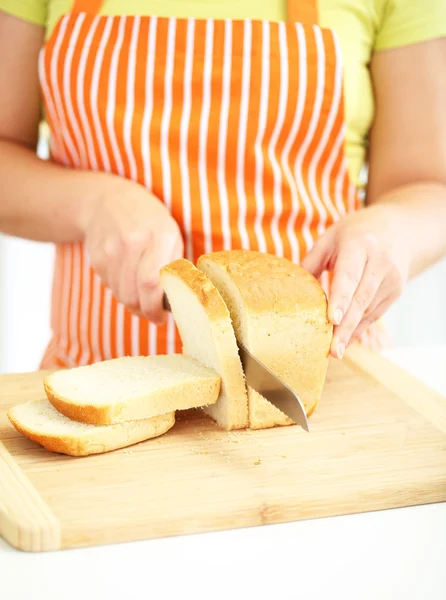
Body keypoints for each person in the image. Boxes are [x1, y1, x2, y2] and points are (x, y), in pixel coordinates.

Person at [0, 0, 445, 370]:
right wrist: (93, 203)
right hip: (96, 388)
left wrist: (391, 231)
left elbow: (429, 186)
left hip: (324, 388)